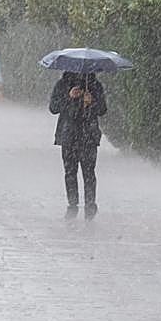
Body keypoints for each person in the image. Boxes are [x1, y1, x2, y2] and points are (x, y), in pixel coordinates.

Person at [48, 71, 107, 219]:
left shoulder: (95, 85)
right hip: (69, 136)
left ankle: (90, 205)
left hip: (89, 136)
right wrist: (69, 97)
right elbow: (53, 108)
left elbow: (102, 109)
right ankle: (72, 205)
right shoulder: (62, 84)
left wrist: (91, 102)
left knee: (89, 173)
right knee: (70, 172)